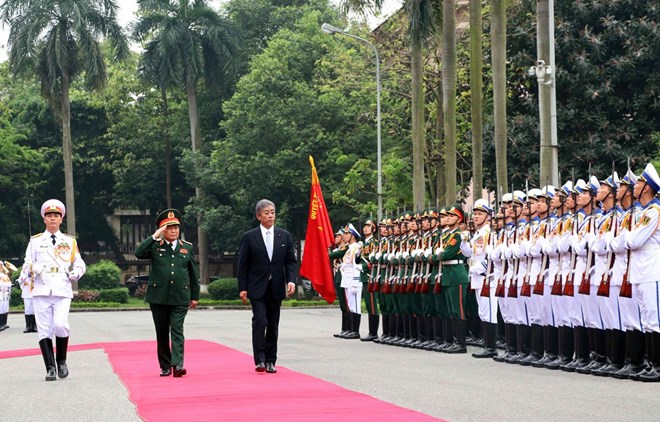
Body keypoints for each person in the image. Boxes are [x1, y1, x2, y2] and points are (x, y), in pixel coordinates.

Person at [19, 199, 86, 381]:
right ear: (44, 219)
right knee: (44, 329)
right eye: (49, 216)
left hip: (62, 288)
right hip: (41, 289)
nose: (53, 219)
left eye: (56, 215)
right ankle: (50, 368)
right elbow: (26, 264)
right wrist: (32, 269)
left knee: (60, 325)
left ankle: (62, 360)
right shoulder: (35, 241)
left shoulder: (70, 242)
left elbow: (79, 264)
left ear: (61, 218)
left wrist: (76, 273)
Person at [135, 208, 200, 378]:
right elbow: (139, 253)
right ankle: (165, 365)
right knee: (162, 332)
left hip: (180, 296)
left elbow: (194, 273)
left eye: (176, 228)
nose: (173, 231)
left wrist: (195, 296)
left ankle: (177, 365)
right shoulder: (156, 246)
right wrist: (154, 236)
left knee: (177, 330)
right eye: (169, 228)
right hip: (159, 297)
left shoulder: (187, 248)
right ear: (163, 230)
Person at [238, 199, 298, 374]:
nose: (270, 216)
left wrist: (291, 280)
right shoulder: (249, 237)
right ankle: (260, 359)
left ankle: (271, 360)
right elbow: (243, 264)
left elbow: (290, 261)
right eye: (266, 213)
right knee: (260, 320)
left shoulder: (284, 236)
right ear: (258, 216)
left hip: (277, 286)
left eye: (272, 212)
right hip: (256, 287)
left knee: (272, 324)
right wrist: (242, 287)